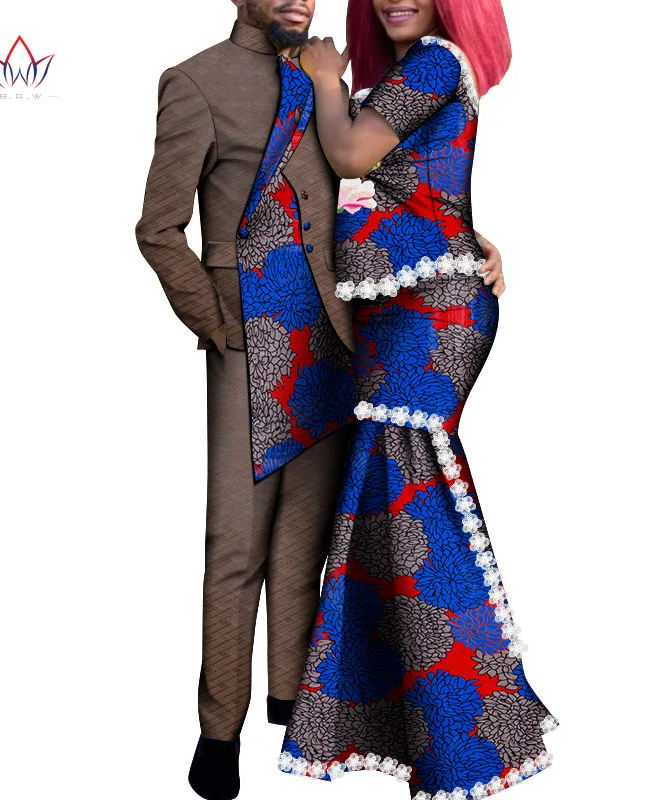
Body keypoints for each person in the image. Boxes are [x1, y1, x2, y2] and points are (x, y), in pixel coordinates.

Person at [136, 1, 507, 798]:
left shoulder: (339, 77)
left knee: (324, 536)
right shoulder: (199, 82)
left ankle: (306, 708)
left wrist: (462, 237)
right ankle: (220, 733)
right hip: (254, 334)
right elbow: (158, 229)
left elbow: (379, 180)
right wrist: (218, 324)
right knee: (237, 545)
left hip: (345, 333)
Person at [278, 1, 558, 798]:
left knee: (411, 508)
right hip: (400, 307)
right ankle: (416, 734)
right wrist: (471, 234)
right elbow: (419, 190)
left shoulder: (435, 59)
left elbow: (351, 152)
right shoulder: (407, 74)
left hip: (431, 314)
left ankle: (475, 745)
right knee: (388, 509)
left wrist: (324, 79)